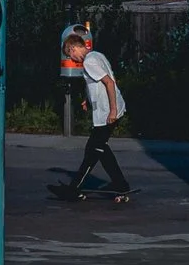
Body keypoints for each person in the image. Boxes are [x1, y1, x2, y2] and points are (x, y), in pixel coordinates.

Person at [52, 29, 131, 199]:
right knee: (100, 149)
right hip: (109, 110)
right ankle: (120, 184)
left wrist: (112, 110)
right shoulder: (97, 55)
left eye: (70, 55)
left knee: (92, 151)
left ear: (73, 48)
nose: (72, 59)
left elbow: (109, 83)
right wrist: (87, 100)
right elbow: (102, 82)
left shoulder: (89, 61)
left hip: (107, 113)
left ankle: (74, 189)